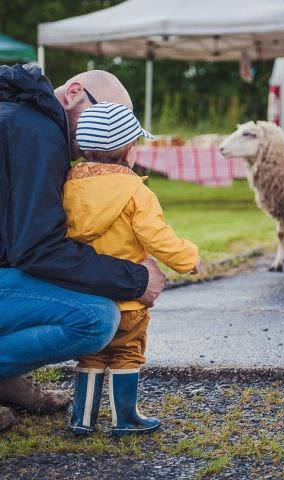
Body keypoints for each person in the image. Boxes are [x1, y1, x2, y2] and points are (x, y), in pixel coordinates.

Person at [0, 65, 165, 433]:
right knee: (96, 318)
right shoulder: (39, 133)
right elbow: (37, 249)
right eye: (103, 116)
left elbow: (17, 243)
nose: (107, 135)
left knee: (67, 289)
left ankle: (6, 378)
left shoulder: (19, 116)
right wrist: (135, 278)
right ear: (74, 93)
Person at [64, 102, 200, 436]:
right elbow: (158, 237)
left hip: (86, 297)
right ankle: (125, 418)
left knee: (91, 356)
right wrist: (188, 258)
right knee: (127, 353)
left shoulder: (67, 187)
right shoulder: (137, 192)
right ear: (130, 150)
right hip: (128, 300)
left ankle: (82, 419)